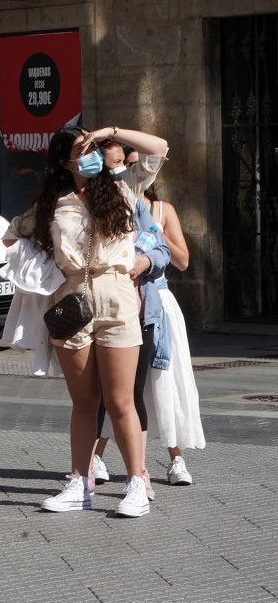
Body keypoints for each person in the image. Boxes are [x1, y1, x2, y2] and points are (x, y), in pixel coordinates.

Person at [4, 124, 168, 518]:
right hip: (72, 300)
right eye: (83, 148)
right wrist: (41, 266)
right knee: (83, 402)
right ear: (66, 161)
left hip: (117, 297)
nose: (93, 152)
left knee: (120, 401)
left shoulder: (122, 187)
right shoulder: (53, 204)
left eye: (95, 146)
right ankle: (79, 482)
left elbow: (158, 147)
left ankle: (135, 484)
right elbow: (12, 236)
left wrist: (112, 131)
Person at [89, 142, 172, 501]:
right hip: (92, 311)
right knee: (93, 398)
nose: (119, 172)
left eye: (124, 164)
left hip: (138, 311)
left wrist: (144, 261)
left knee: (129, 396)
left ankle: (138, 474)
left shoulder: (134, 201)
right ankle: (86, 467)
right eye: (112, 165)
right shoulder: (77, 201)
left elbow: (163, 250)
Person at [139, 174, 204, 485]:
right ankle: (96, 457)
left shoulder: (163, 209)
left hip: (160, 301)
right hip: (125, 301)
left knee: (166, 379)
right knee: (119, 383)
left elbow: (183, 261)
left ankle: (176, 458)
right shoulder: (111, 208)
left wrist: (156, 235)